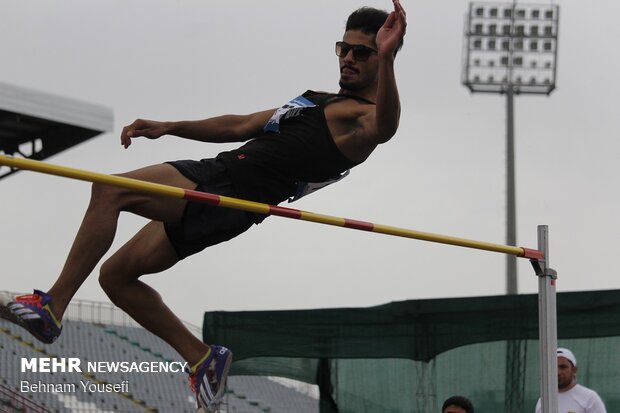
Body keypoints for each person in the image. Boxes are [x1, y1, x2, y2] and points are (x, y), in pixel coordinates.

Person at [0, 2, 407, 412]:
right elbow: (238, 124)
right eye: (344, 49)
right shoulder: (315, 101)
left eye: (363, 53)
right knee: (116, 277)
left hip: (228, 186)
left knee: (108, 191)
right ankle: (201, 358)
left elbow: (386, 128)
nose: (349, 58)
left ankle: (53, 305)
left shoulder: (363, 120)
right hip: (225, 194)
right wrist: (170, 127)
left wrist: (387, 58)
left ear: (383, 56)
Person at [535, 348, 607, 413]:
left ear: (574, 370)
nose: (558, 372)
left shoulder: (590, 398)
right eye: (553, 367)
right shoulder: (543, 401)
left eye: (563, 367)